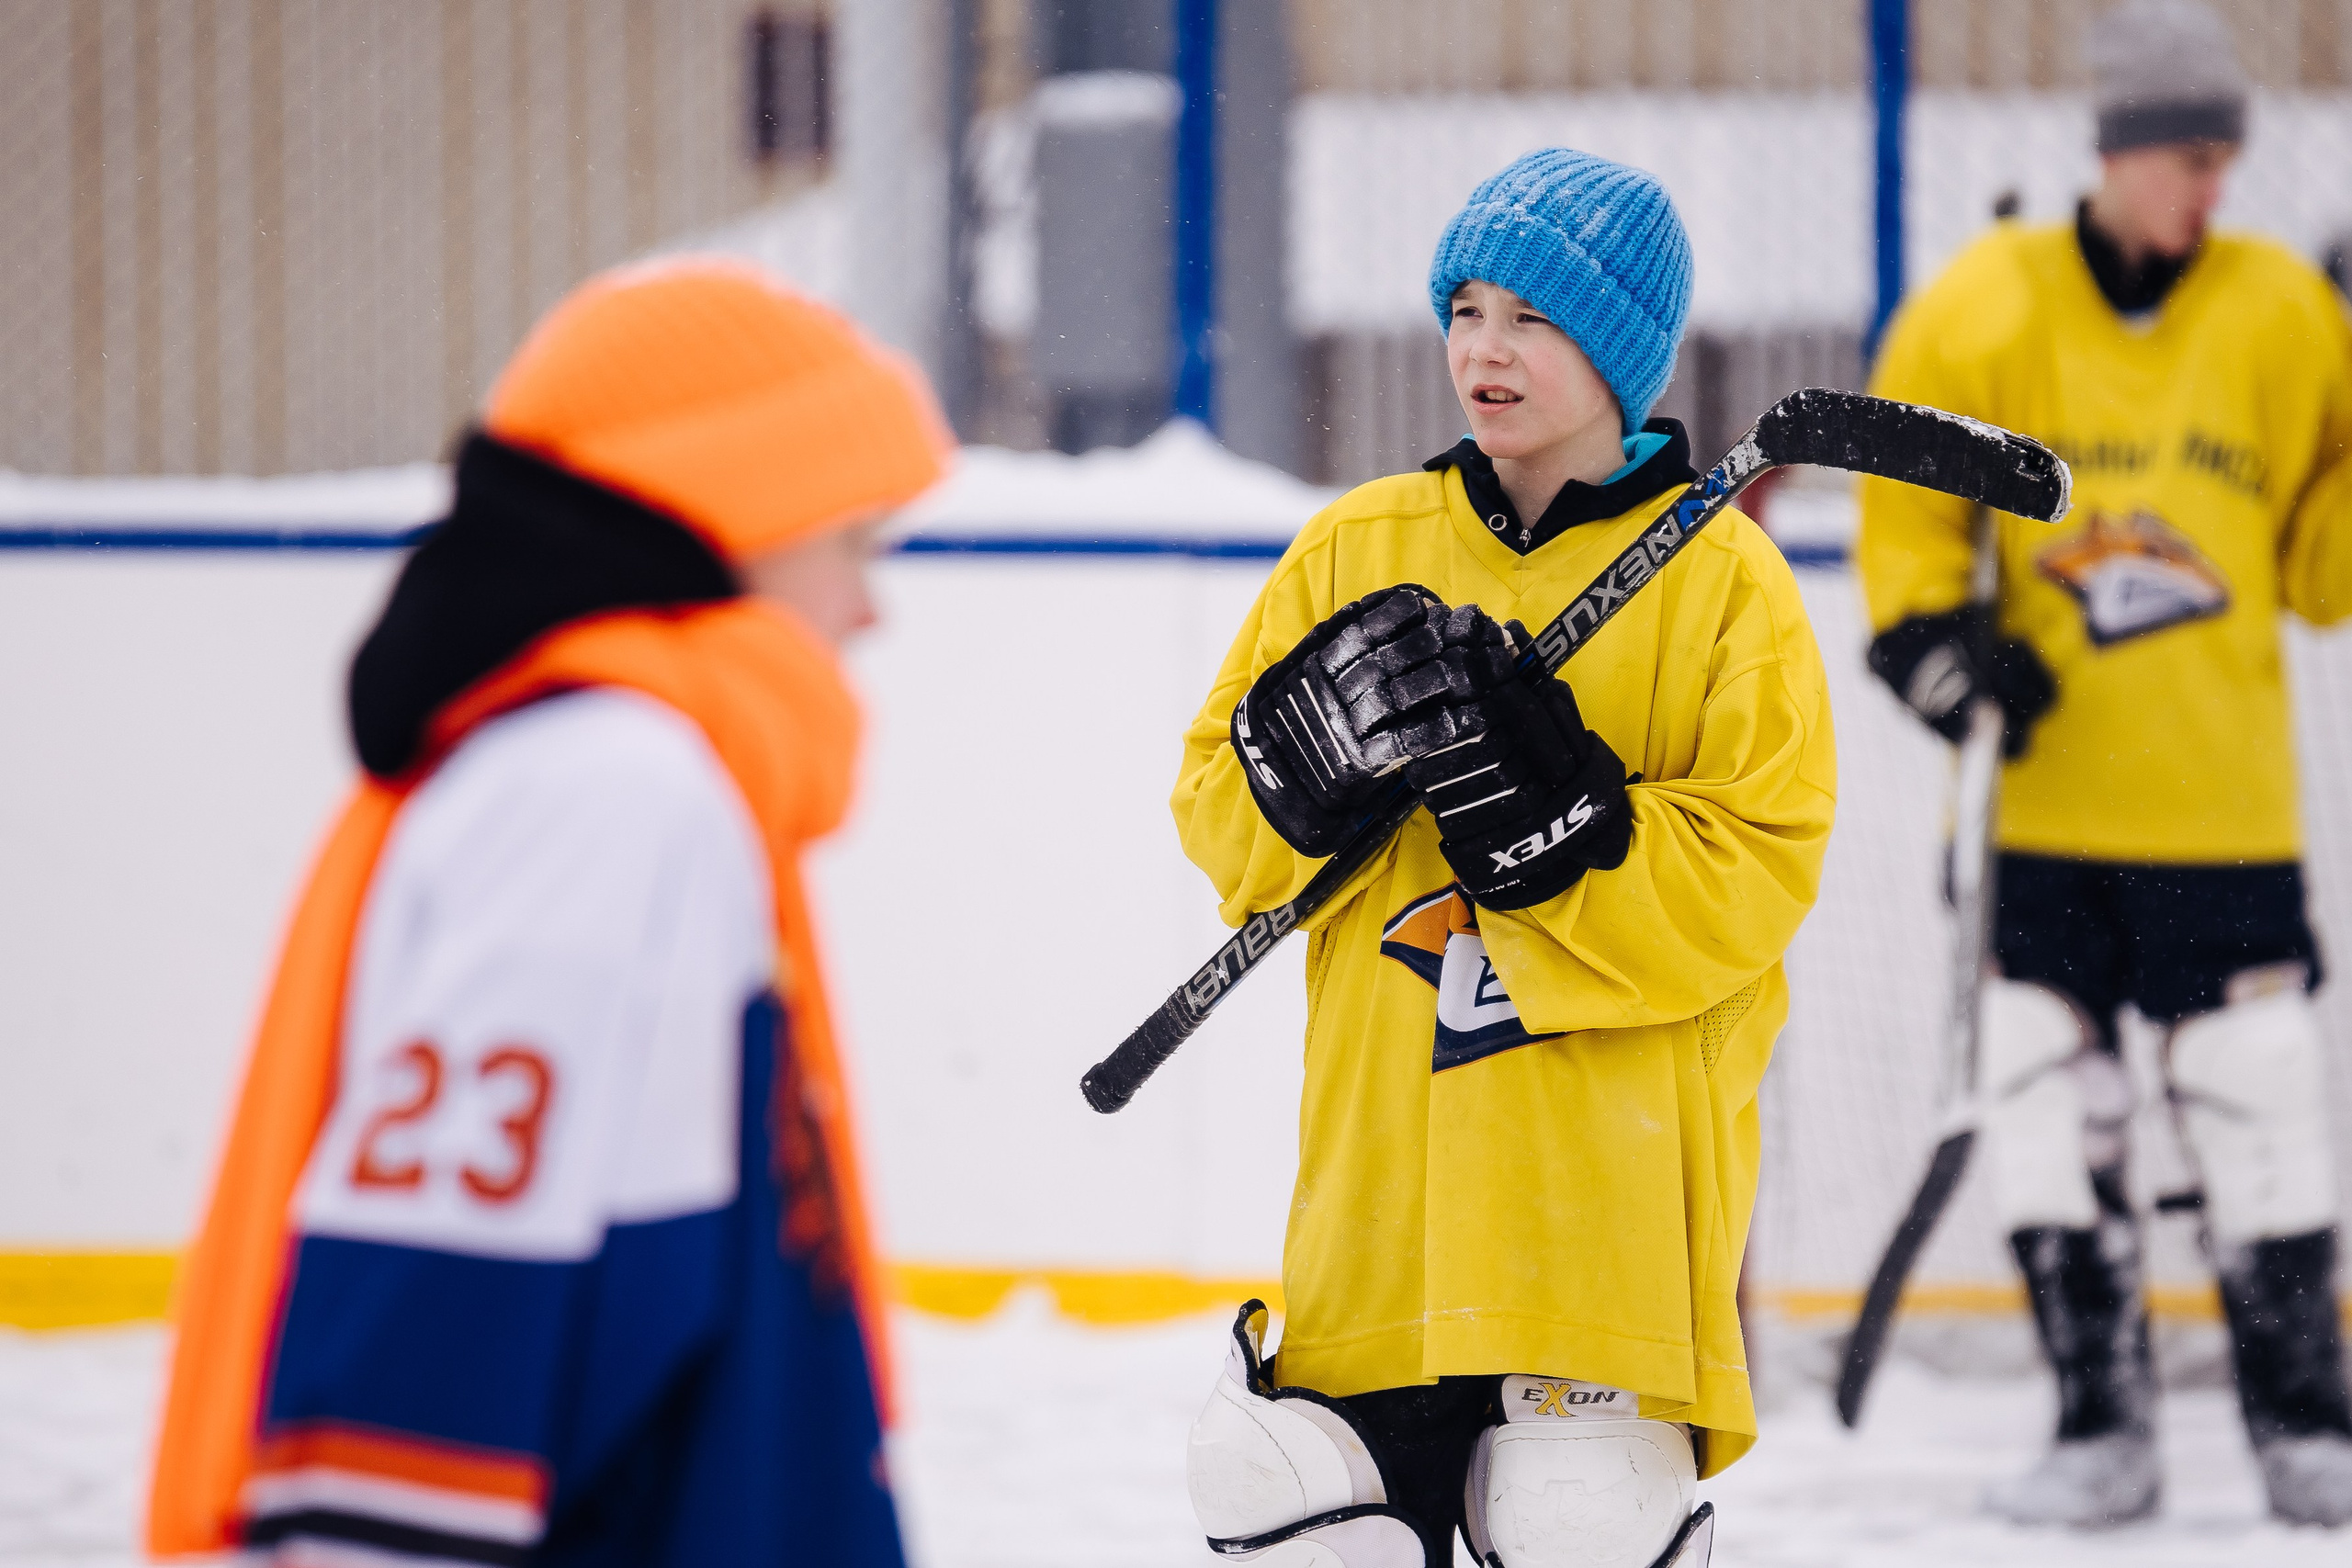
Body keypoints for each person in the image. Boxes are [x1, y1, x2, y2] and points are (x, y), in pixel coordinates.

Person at [144, 260, 954, 1564]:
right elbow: (429, 1342)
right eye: (854, 542)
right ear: (738, 519)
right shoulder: (603, 792)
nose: (870, 609)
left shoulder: (623, 773)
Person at [1171, 149, 1835, 1568]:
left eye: (1531, 316)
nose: (1485, 349)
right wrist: (1301, 780)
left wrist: (1571, 829)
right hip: (1385, 1213)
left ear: (1617, 346)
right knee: (1300, 1520)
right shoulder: (1357, 547)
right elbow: (1217, 811)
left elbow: (1759, 871)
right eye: (1464, 310)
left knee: (1577, 1522)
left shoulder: (1725, 582)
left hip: (1598, 1214)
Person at [1858, 0, 2352, 1530]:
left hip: (2220, 815)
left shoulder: (2282, 315)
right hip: (2039, 825)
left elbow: (2325, 574)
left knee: (2262, 1108)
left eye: (2228, 159)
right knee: (2040, 1116)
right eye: (2190, 157)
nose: (2213, 187)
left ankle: (2305, 1428)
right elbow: (1904, 520)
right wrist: (1941, 651)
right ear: (2119, 149)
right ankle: (2099, 1425)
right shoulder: (1982, 307)